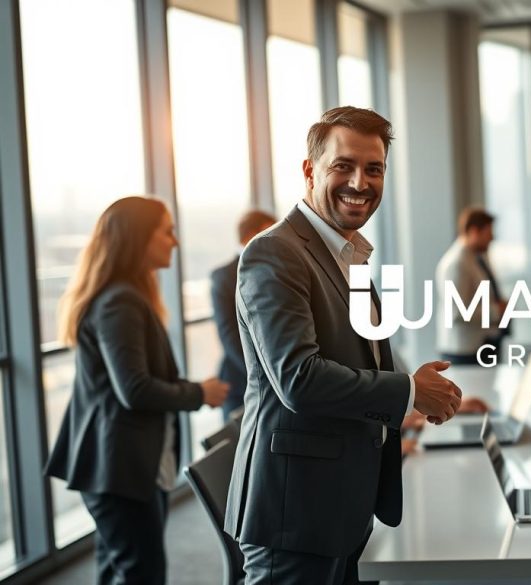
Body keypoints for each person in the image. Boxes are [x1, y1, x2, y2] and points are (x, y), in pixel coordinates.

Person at [224, 106, 463, 584]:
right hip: (297, 511)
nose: (361, 181)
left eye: (374, 169)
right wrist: (410, 394)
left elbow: (358, 359)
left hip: (342, 501)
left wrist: (415, 402)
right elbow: (300, 379)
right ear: (310, 170)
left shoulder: (346, 251)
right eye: (343, 166)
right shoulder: (274, 252)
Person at [45, 196, 229, 585]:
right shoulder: (120, 302)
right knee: (141, 573)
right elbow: (135, 389)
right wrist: (200, 393)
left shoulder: (126, 297)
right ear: (137, 239)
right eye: (166, 232)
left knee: (121, 569)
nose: (175, 242)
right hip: (118, 469)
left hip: (123, 467)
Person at [210, 209, 276, 420]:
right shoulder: (224, 276)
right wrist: (264, 375)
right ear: (250, 236)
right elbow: (229, 335)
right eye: (269, 233)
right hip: (241, 382)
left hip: (276, 379)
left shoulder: (278, 271)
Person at [435, 207, 510, 365]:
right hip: (465, 351)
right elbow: (457, 312)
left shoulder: (478, 257)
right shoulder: (456, 264)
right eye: (488, 233)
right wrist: (498, 311)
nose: (492, 238)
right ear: (474, 231)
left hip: (482, 344)